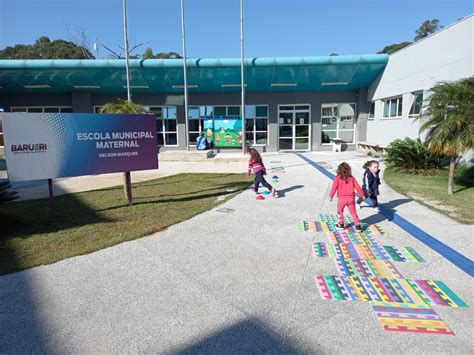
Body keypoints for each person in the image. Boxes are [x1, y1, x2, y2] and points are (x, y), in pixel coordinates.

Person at [329, 162, 365, 231]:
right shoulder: (352, 178)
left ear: (338, 170)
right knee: (353, 212)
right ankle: (357, 225)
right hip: (351, 199)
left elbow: (334, 188)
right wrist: (362, 194)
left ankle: (341, 224)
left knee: (340, 211)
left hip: (342, 199)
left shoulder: (337, 178)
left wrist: (331, 196)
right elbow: (358, 187)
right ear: (349, 170)